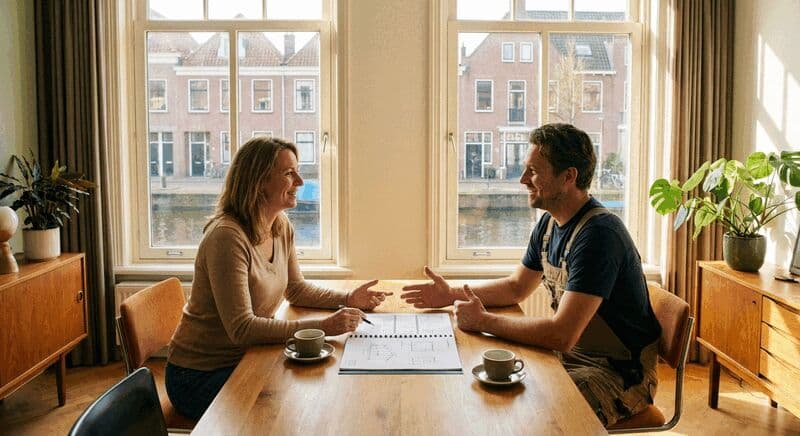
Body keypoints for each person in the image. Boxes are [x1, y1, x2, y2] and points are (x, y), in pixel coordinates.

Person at [401, 123, 661, 427]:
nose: (523, 179)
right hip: (573, 358)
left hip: (618, 374)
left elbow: (561, 335)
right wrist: (450, 294)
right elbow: (516, 287)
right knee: (488, 395)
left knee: (528, 416)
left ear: (568, 177)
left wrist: (484, 321)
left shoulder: (599, 236)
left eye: (533, 171)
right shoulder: (549, 224)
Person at [166, 137, 391, 420]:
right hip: (199, 375)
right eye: (288, 173)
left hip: (249, 356)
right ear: (259, 182)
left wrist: (347, 299)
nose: (300, 181)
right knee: (294, 405)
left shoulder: (280, 226)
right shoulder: (226, 238)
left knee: (312, 392)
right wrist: (322, 327)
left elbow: (296, 289)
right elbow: (242, 329)